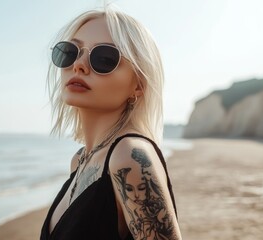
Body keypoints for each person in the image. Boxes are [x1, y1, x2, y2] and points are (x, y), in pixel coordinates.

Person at [40, 5, 182, 240]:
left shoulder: (128, 155)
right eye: (70, 52)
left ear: (137, 85)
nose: (79, 65)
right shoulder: (80, 160)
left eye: (104, 58)